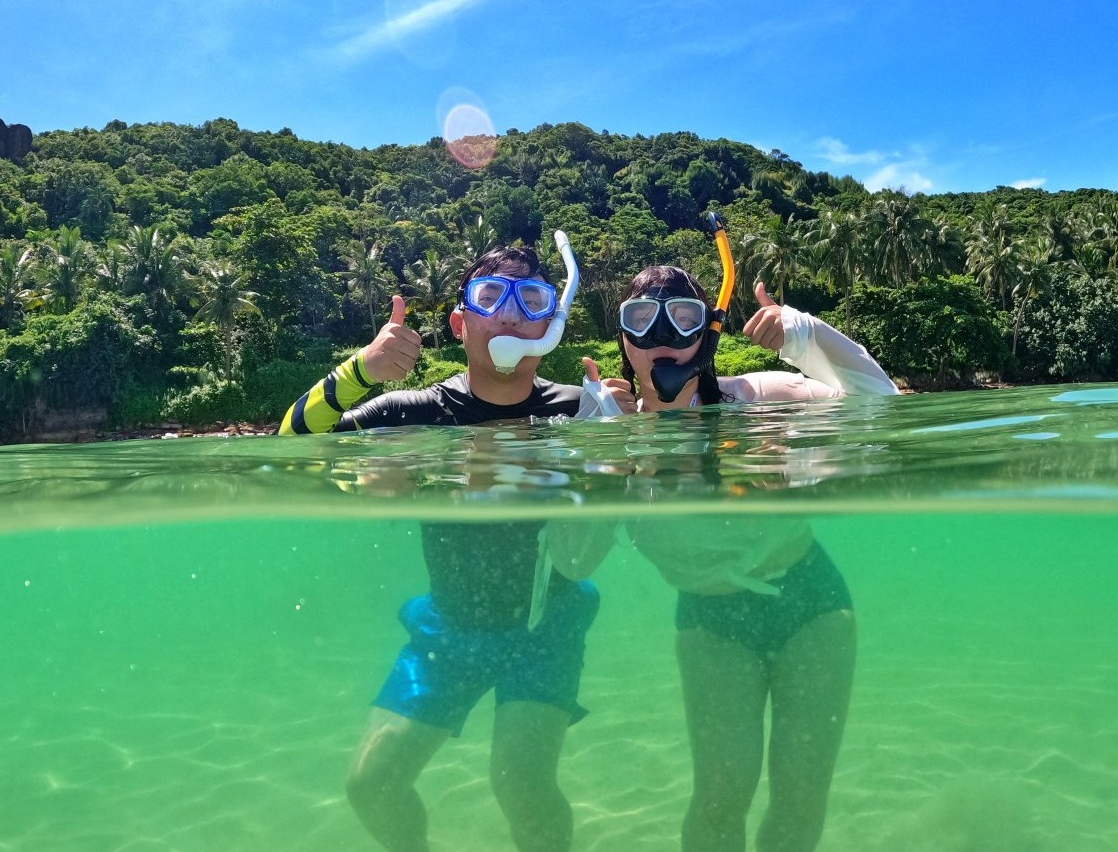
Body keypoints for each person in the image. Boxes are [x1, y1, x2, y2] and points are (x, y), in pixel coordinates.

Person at [555, 259, 898, 852]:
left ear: (708, 332)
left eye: (682, 318)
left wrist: (805, 333)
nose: (663, 335)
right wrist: (598, 468)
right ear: (624, 344)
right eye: (643, 320)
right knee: (719, 792)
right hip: (712, 621)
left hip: (810, 603)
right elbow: (573, 563)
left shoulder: (761, 398)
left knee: (800, 790)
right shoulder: (608, 432)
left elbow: (881, 407)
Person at [278, 245, 597, 852]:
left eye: (530, 301)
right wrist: (360, 372)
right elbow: (289, 450)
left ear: (550, 326)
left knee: (521, 781)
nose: (508, 316)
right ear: (460, 324)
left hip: (546, 623)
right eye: (488, 299)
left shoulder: (579, 412)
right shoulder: (410, 413)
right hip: (449, 626)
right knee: (371, 784)